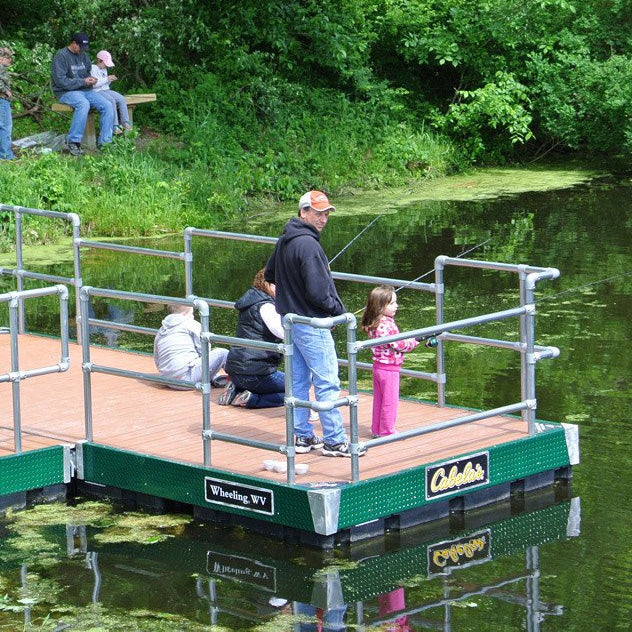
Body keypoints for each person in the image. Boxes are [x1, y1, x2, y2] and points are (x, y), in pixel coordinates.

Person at [264, 190, 365, 458]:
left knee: (297, 381)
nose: (323, 219)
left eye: (326, 213)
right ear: (303, 212)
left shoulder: (286, 239)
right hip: (311, 324)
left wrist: (291, 290)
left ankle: (302, 437)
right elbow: (319, 293)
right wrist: (339, 312)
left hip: (290, 321)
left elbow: (270, 274)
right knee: (327, 382)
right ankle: (334, 440)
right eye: (318, 213)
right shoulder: (309, 246)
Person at [218, 269, 285, 408]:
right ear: (266, 284)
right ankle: (251, 399)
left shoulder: (251, 301)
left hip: (236, 373)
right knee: (297, 389)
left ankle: (236, 390)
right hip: (256, 374)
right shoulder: (266, 306)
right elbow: (283, 333)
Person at [361, 285, 419, 437]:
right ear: (380, 306)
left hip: (377, 367)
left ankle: (376, 429)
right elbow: (400, 345)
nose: (396, 306)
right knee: (390, 402)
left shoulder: (374, 322)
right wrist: (415, 341)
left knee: (379, 401)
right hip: (390, 369)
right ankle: (387, 431)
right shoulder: (387, 324)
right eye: (392, 303)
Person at [51, 32, 114, 155]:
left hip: (85, 90)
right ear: (74, 43)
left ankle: (105, 144)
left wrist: (91, 79)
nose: (82, 51)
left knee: (107, 105)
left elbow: (86, 74)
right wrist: (83, 81)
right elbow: (60, 81)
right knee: (83, 104)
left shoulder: (83, 56)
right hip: (66, 92)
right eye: (80, 47)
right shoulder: (61, 56)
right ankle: (74, 142)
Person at [154, 304, 228, 389]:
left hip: (167, 379)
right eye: (192, 313)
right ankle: (237, 380)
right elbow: (204, 349)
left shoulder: (162, 329)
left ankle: (214, 377)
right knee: (223, 353)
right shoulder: (191, 323)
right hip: (186, 379)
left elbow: (157, 356)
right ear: (184, 314)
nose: (193, 316)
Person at [90, 50, 132, 135]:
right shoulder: (93, 68)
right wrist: (107, 79)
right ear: (99, 60)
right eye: (105, 63)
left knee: (121, 98)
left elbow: (105, 83)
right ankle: (115, 125)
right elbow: (95, 85)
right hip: (97, 91)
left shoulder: (104, 69)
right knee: (111, 101)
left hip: (106, 90)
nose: (106, 66)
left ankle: (125, 122)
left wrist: (110, 80)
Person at [0, 46, 14, 160]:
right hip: (2, 100)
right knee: (6, 126)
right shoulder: (0, 67)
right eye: (8, 57)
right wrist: (6, 91)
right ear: (1, 58)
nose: (10, 60)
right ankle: (6, 156)